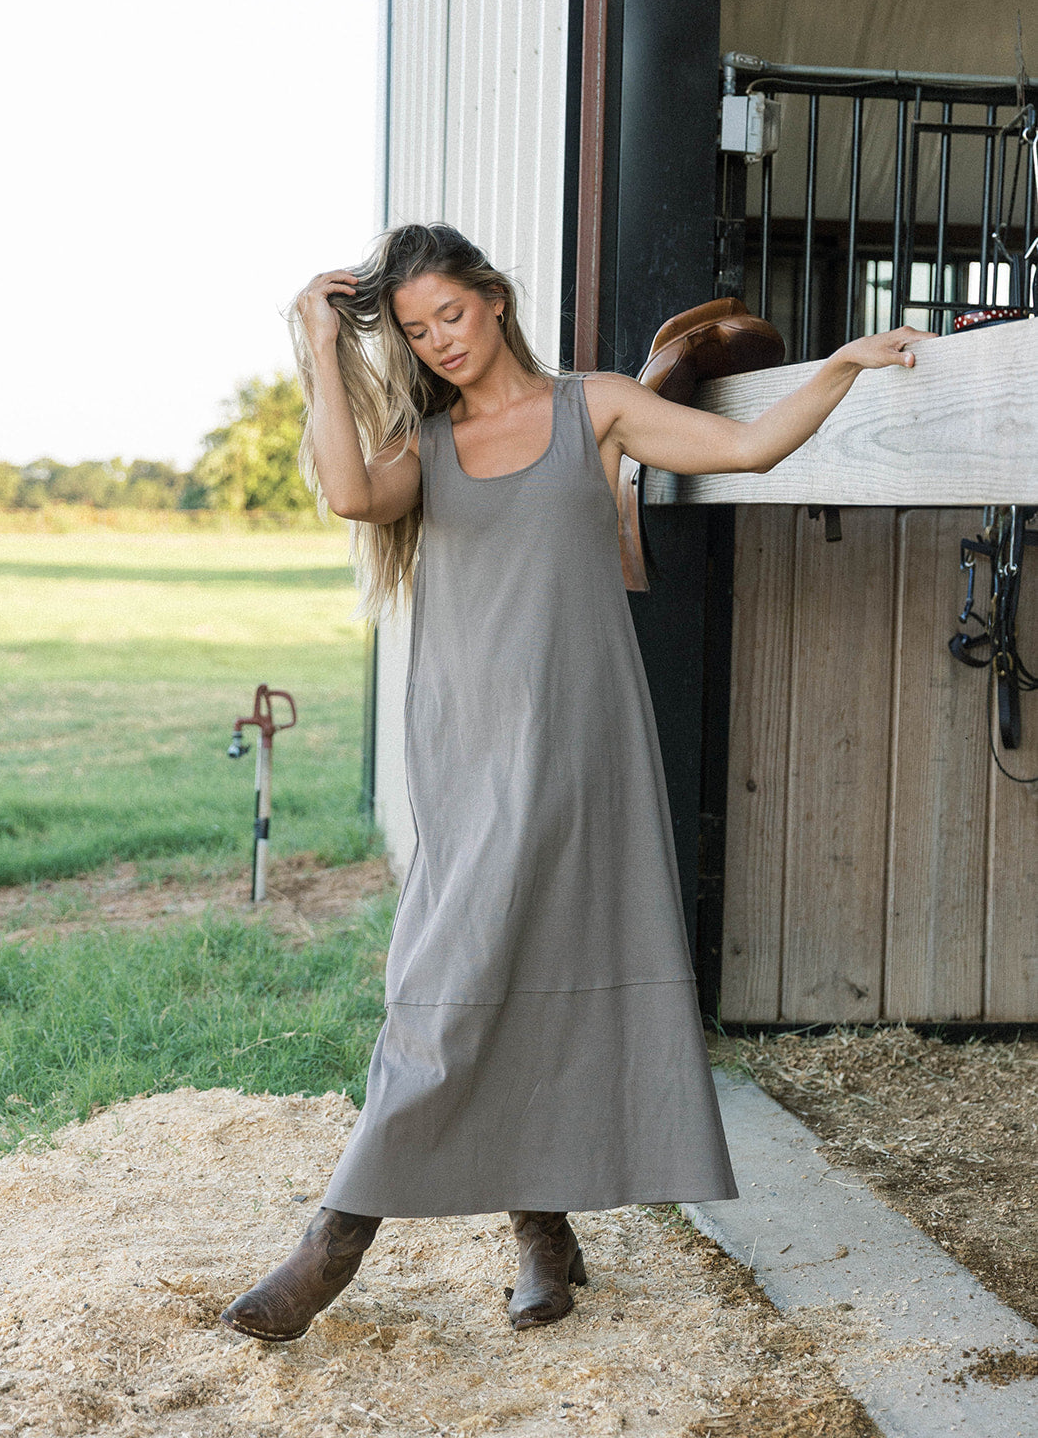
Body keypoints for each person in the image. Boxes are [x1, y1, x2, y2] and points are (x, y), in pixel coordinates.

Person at [221, 223, 932, 1342]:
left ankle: (408, 1244)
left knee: (541, 964)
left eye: (451, 314)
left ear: (494, 300)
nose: (439, 341)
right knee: (447, 988)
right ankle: (479, 1235)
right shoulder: (426, 445)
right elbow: (350, 495)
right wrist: (317, 340)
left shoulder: (592, 408)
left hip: (580, 743)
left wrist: (842, 361)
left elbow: (747, 451)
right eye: (414, 330)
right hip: (465, 751)